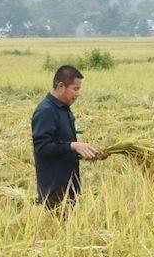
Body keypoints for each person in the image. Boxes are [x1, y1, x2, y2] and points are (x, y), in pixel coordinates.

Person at [31, 65, 107, 213]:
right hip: (55, 190)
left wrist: (88, 153)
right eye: (75, 89)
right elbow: (42, 147)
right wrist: (72, 146)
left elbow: (62, 146)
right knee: (58, 232)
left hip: (69, 185)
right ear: (61, 86)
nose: (78, 94)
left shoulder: (63, 109)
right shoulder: (46, 111)